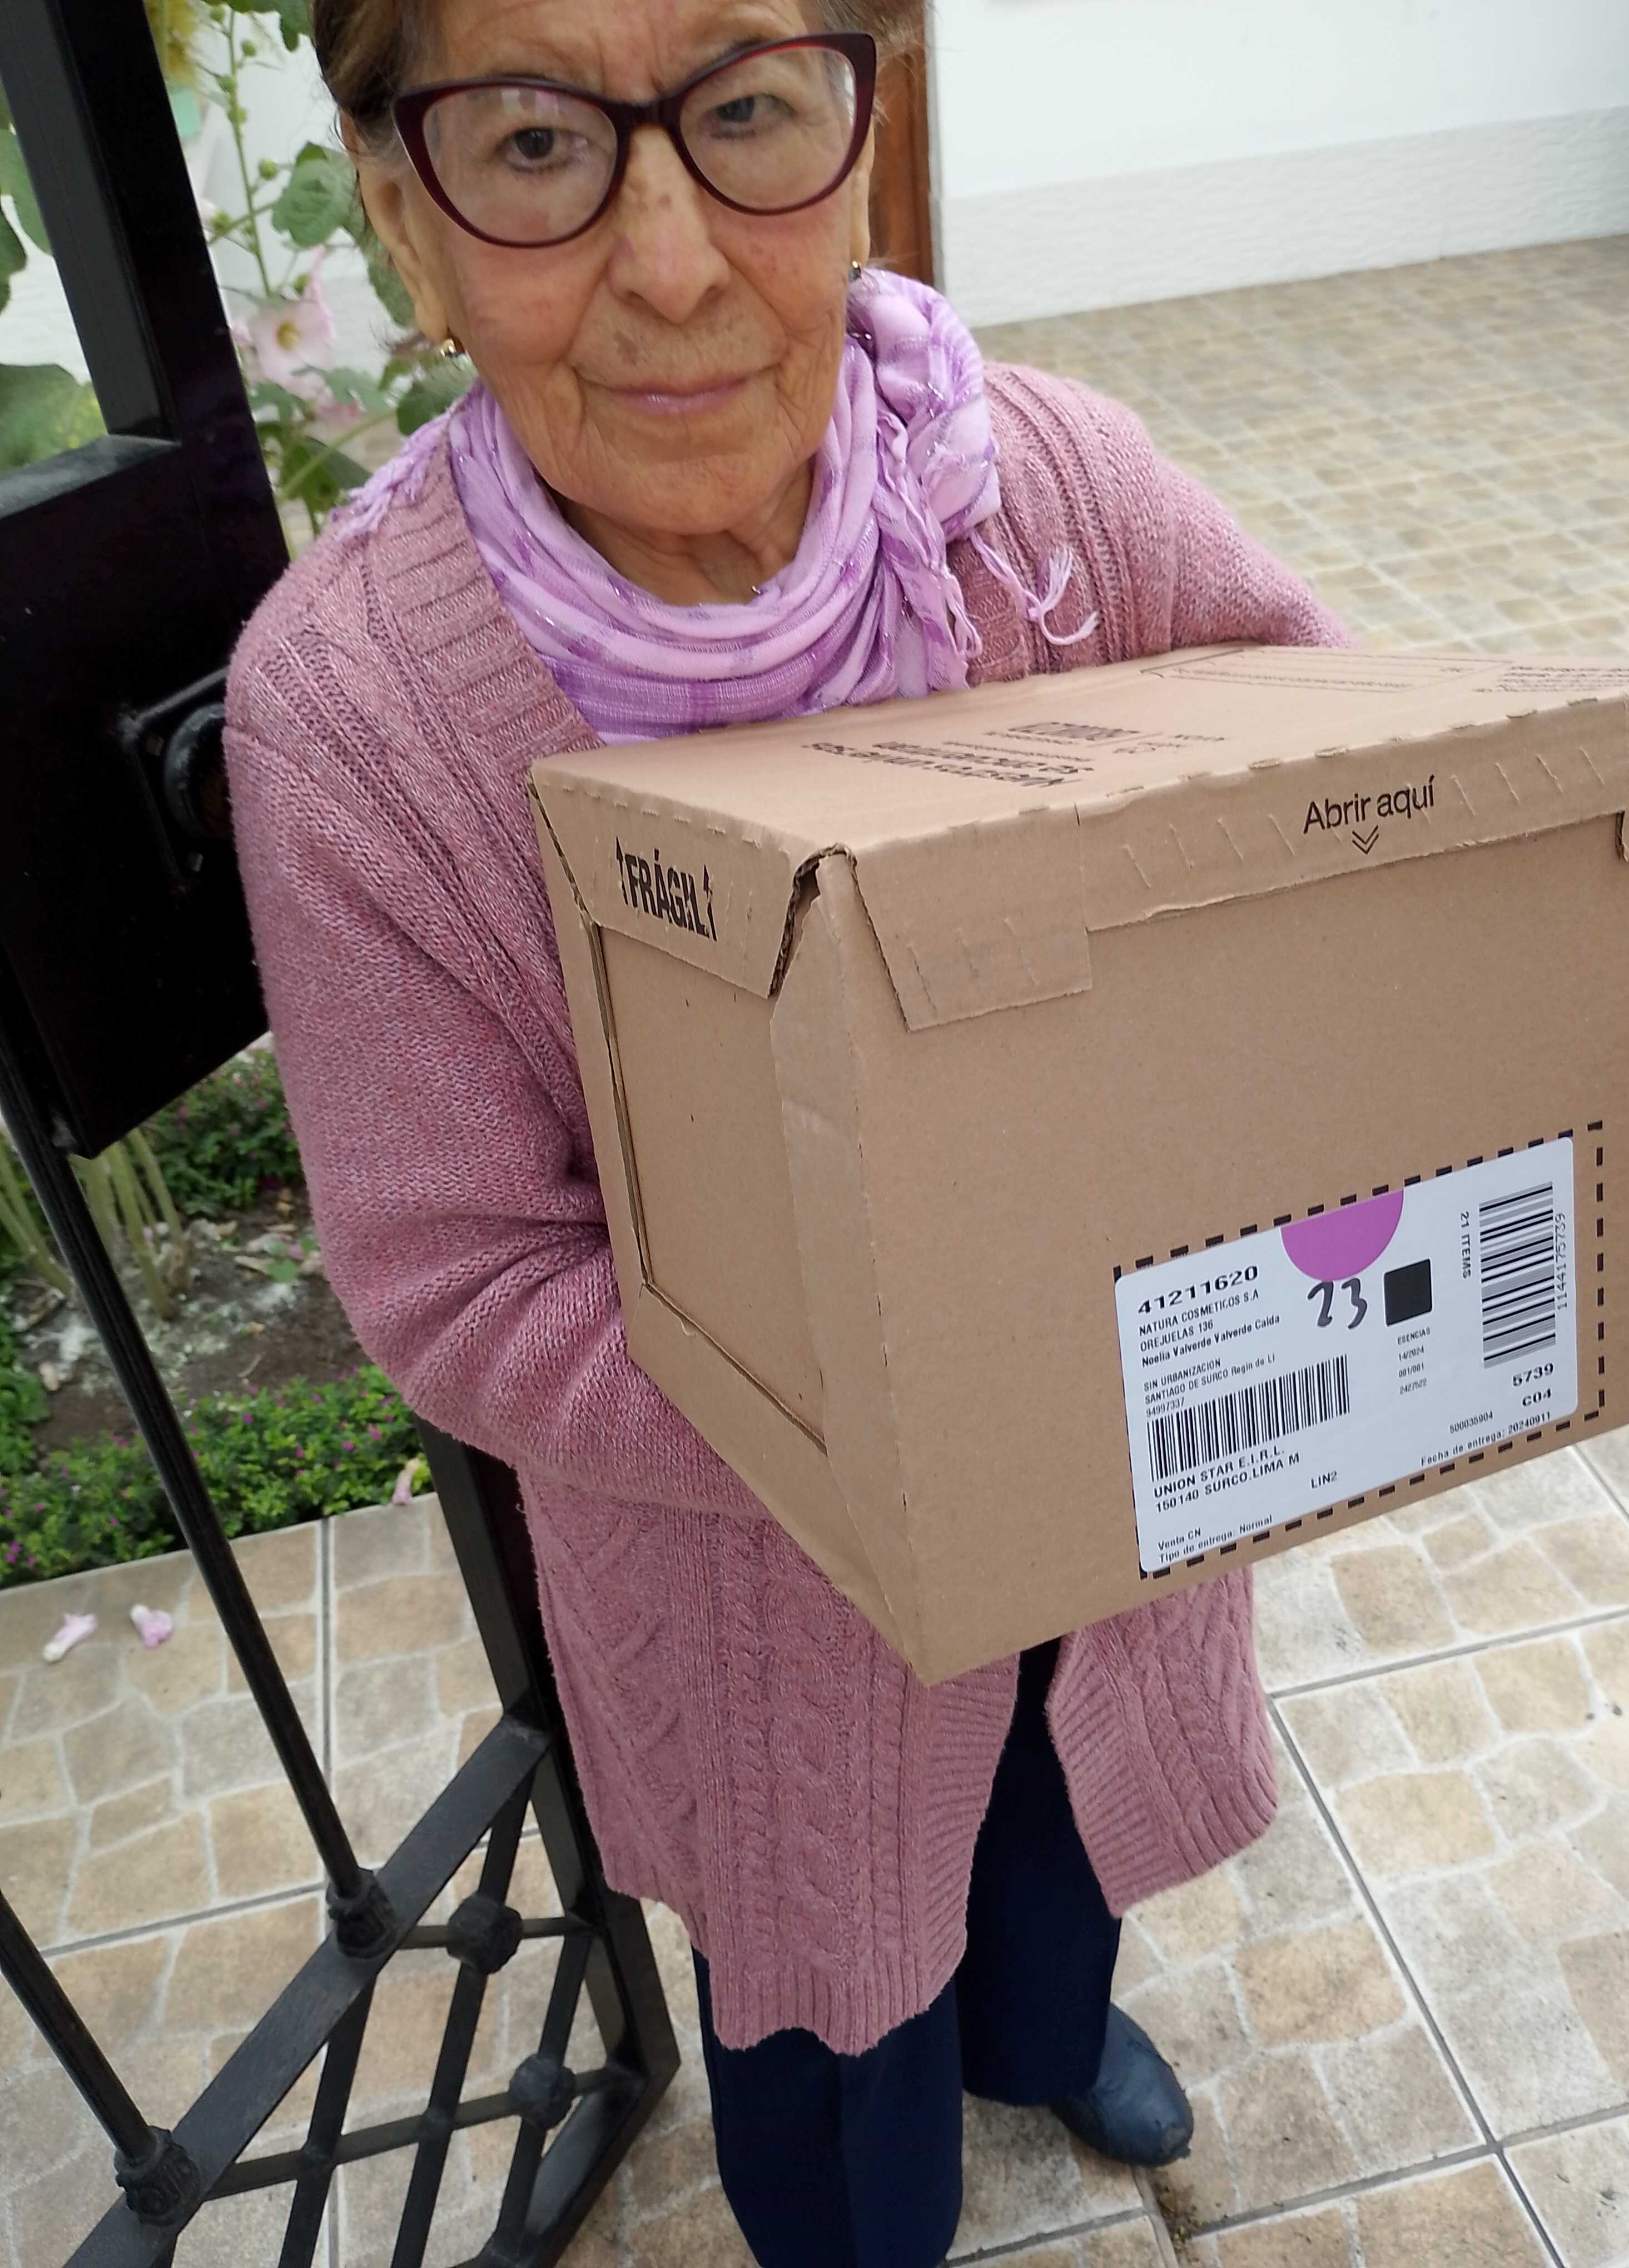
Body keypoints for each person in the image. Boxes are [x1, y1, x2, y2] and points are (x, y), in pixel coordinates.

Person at [224, 2, 1349, 2260]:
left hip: (1103, 1508)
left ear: (860, 138)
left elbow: (1329, 775)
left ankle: (1045, 2034)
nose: (670, 264)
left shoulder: (1047, 498)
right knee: (836, 2018)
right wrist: (901, 1419)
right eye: (533, 143)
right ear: (401, 211)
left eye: (745, 112)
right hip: (763, 1598)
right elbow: (457, 1285)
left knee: (1053, 1824)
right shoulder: (353, 721)